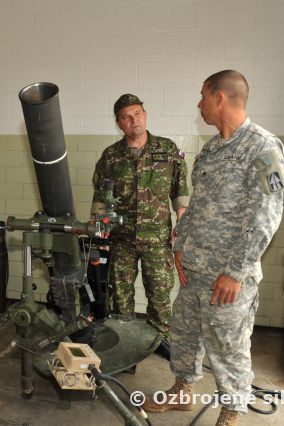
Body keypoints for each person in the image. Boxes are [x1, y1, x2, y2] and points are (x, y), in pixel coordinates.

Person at [141, 70, 284, 426]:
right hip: (195, 270)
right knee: (184, 335)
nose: (199, 103)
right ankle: (182, 391)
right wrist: (180, 246)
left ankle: (231, 412)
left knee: (228, 346)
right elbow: (196, 205)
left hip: (228, 276)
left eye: (203, 96)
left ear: (219, 98)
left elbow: (267, 216)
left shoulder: (264, 148)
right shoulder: (210, 149)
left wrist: (235, 272)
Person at [91, 94, 189, 345]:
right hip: (121, 240)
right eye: (126, 117)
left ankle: (160, 342)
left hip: (158, 240)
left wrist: (182, 223)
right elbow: (101, 197)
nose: (134, 120)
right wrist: (99, 232)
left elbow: (180, 190)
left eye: (137, 114)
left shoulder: (167, 150)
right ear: (119, 123)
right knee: (120, 296)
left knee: (159, 295)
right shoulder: (111, 156)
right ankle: (124, 342)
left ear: (145, 115)